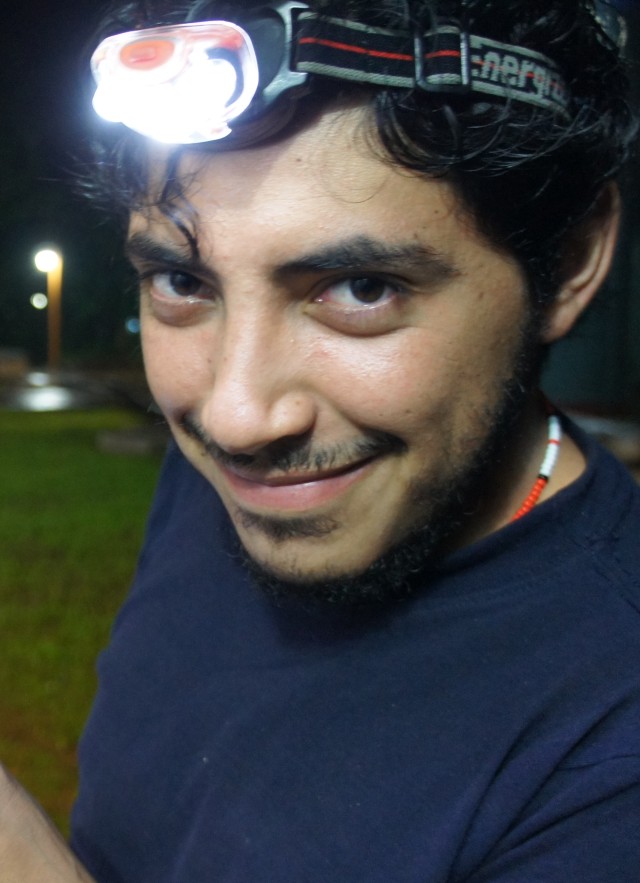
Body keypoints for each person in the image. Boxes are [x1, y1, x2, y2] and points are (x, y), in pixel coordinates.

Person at [7, 0, 639, 879]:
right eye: (183, 279)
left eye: (363, 289)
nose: (234, 418)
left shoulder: (611, 750)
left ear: (569, 261)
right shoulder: (246, 483)